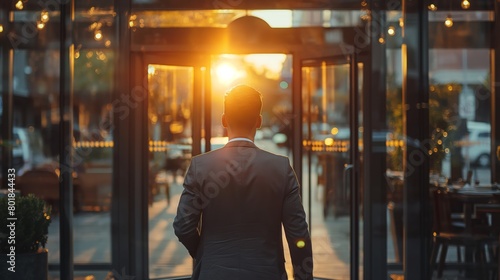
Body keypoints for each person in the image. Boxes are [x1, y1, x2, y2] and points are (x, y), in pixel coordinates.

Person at [173, 84, 313, 280]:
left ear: (224, 120)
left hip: (213, 273)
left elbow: (183, 226)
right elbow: (299, 235)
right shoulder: (281, 168)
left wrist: (207, 254)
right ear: (259, 121)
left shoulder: (200, 166)